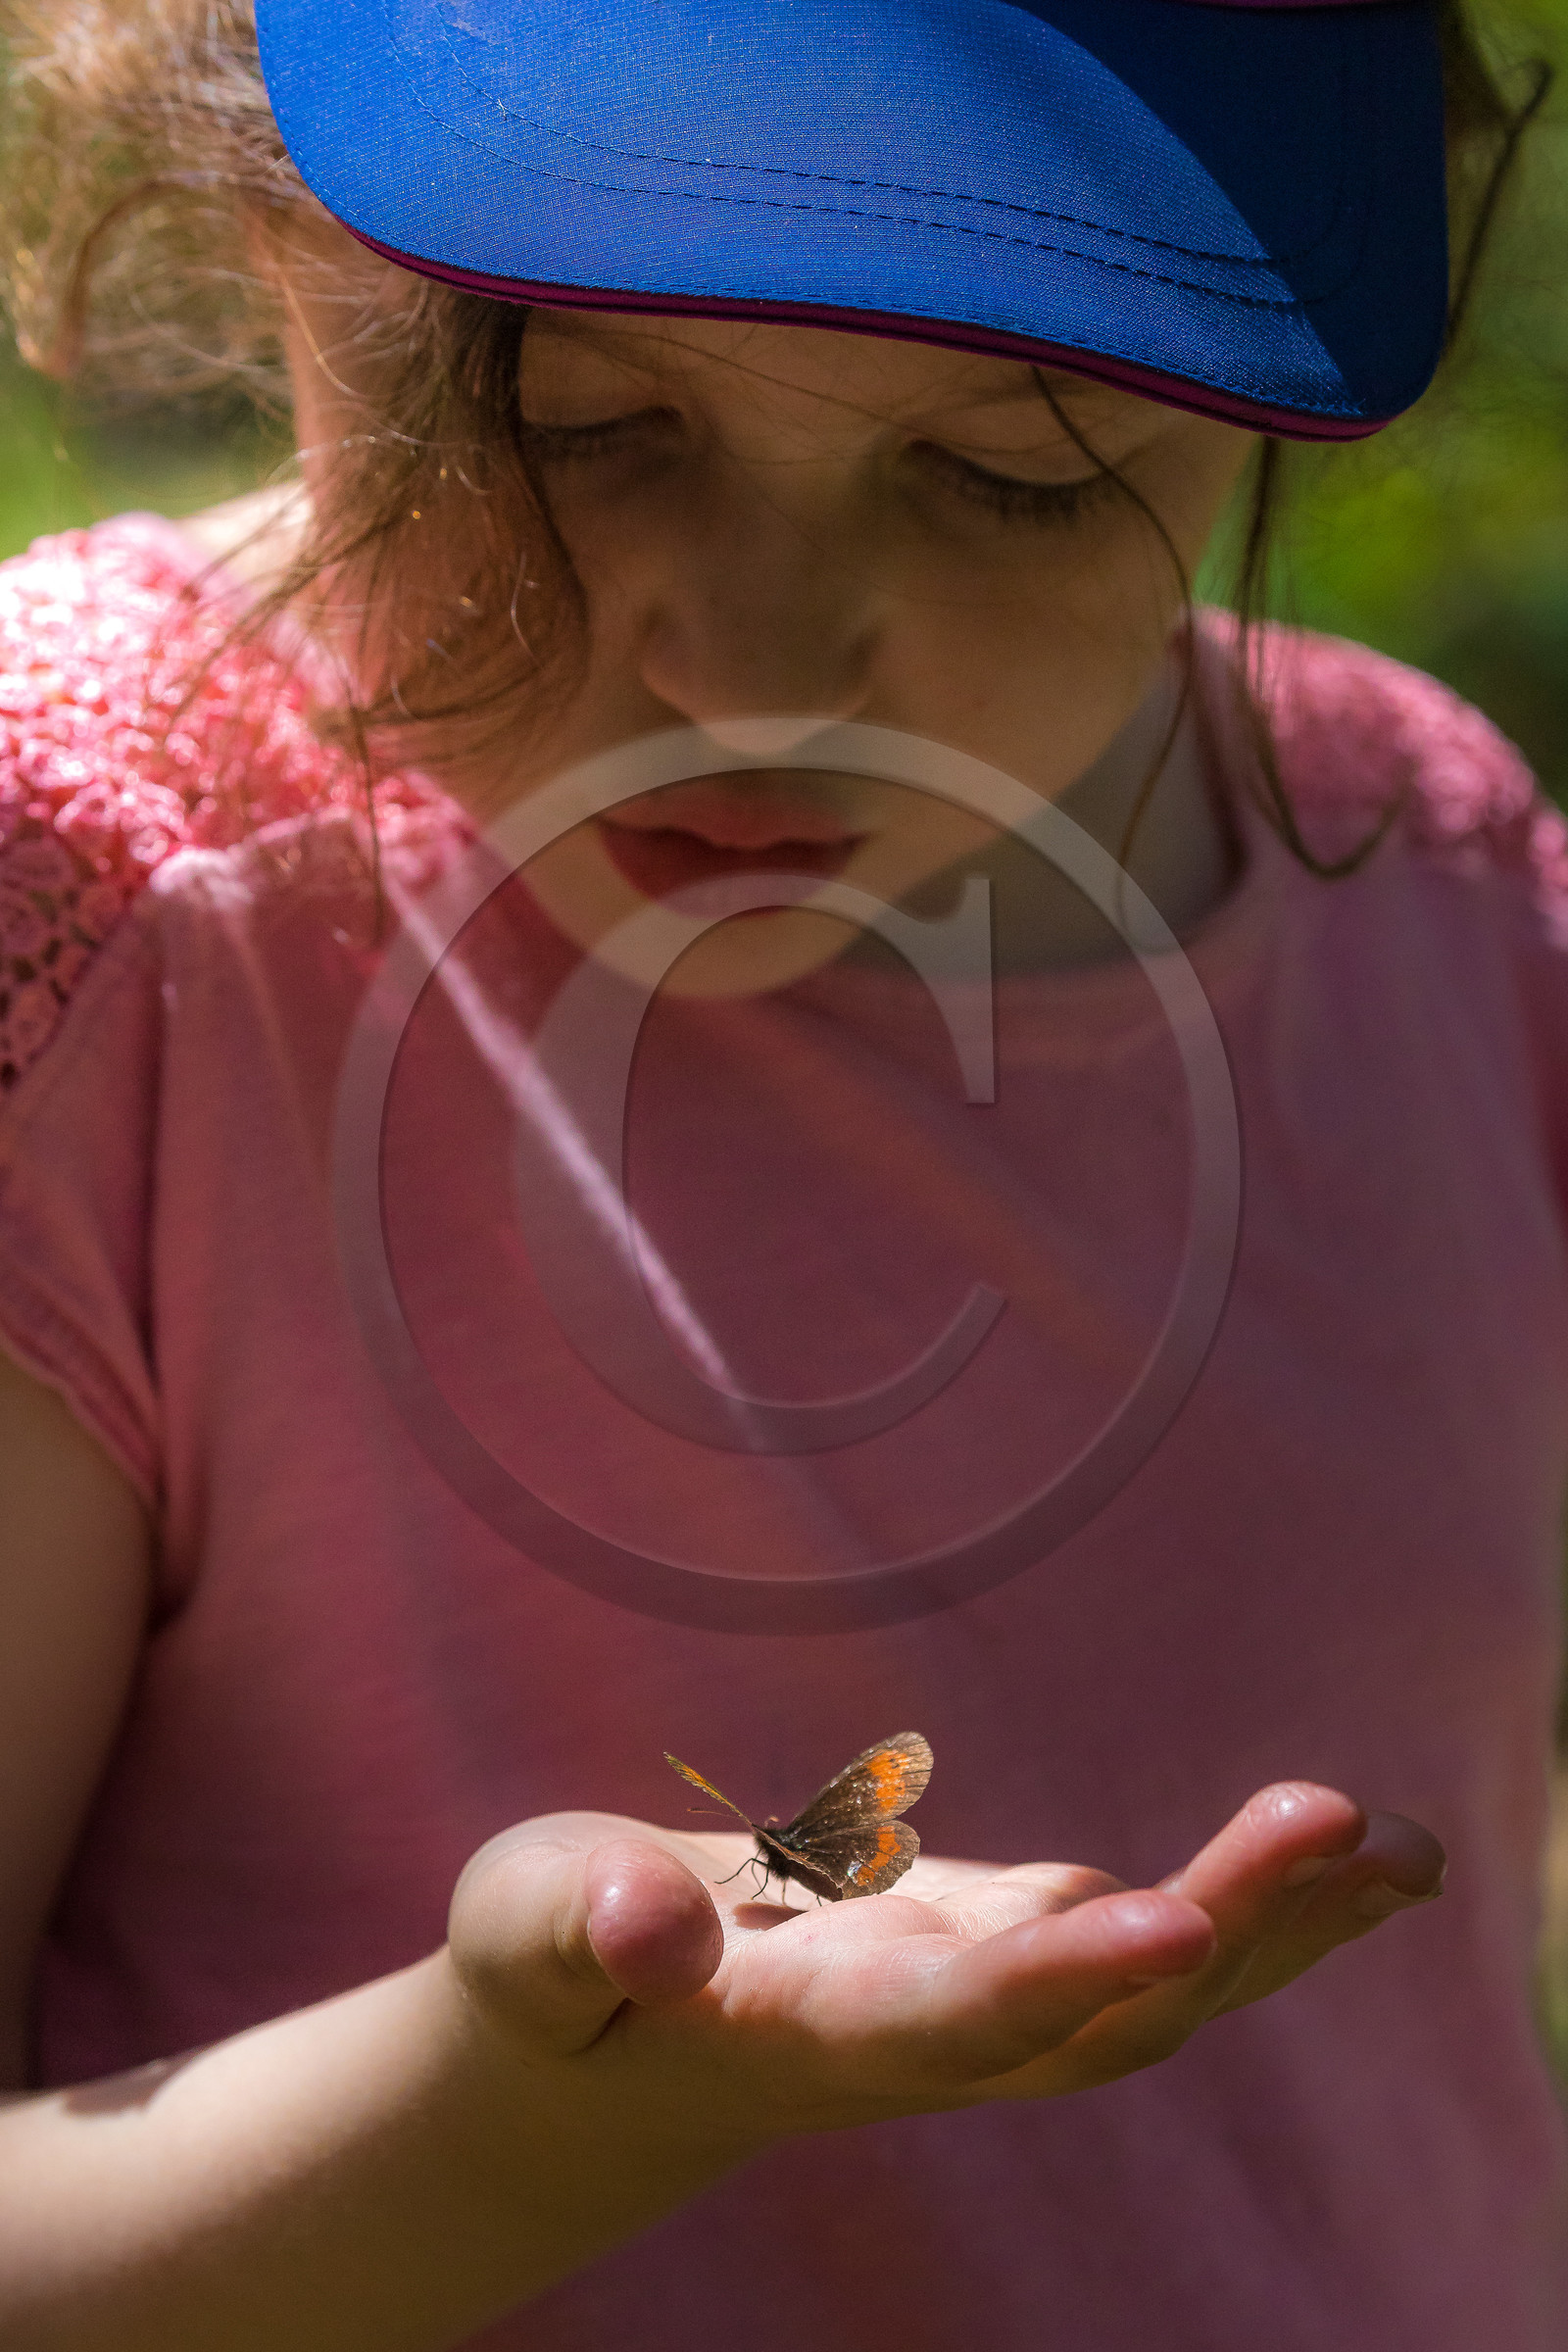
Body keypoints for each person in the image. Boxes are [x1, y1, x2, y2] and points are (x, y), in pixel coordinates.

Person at [0, 0, 1559, 2345]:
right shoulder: (88, 907)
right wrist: (514, 2119)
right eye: (572, 421)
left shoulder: (1427, 882)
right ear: (266, 217)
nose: (753, 662)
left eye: (1021, 469)